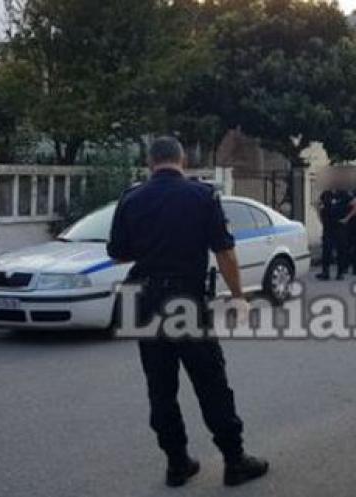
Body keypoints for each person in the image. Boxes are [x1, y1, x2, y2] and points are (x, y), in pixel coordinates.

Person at [106, 137, 268, 488]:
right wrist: (238, 297)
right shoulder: (202, 196)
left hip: (144, 302)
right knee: (211, 383)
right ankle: (234, 461)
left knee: (160, 388)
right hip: (186, 301)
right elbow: (224, 252)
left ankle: (177, 464)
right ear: (182, 160)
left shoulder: (131, 198)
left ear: (150, 162)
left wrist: (151, 247)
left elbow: (117, 253)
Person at [316, 170, 351, 280]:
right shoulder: (326, 194)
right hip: (328, 226)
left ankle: (340, 273)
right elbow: (318, 205)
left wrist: (347, 218)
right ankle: (325, 272)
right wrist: (321, 218)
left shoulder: (343, 194)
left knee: (341, 250)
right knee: (326, 249)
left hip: (339, 226)